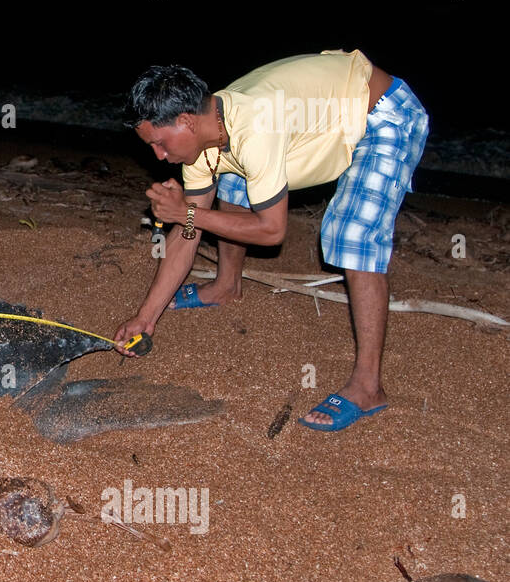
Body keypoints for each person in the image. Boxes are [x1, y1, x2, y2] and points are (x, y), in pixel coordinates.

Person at [114, 49, 429, 432]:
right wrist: (145, 318)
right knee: (231, 179)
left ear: (186, 121)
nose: (159, 156)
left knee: (351, 234)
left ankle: (368, 386)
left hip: (383, 115)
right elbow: (188, 232)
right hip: (320, 118)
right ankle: (226, 286)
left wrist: (186, 212)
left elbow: (271, 231)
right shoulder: (205, 136)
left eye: (160, 143)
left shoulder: (254, 125)